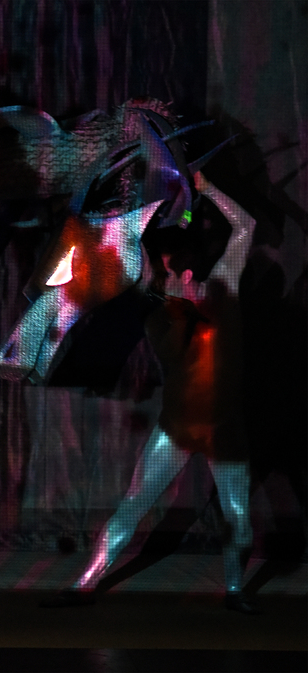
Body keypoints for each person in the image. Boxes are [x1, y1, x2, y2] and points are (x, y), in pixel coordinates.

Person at [43, 173, 260, 613]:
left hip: (225, 430)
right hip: (177, 428)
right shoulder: (160, 316)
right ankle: (84, 584)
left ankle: (235, 591)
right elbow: (171, 341)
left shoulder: (224, 285)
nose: (164, 279)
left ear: (188, 270)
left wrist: (206, 188)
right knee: (133, 503)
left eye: (169, 271)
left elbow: (246, 226)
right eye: (160, 274)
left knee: (238, 515)